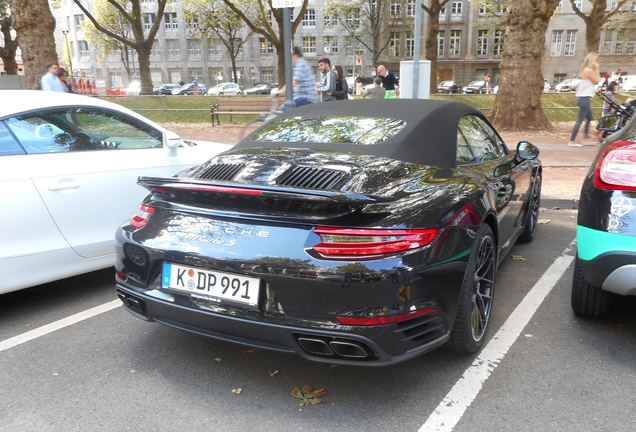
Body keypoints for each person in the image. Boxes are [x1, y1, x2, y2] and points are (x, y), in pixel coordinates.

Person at [569, 52, 600, 146]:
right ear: (593, 61)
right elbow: (596, 81)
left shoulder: (586, 69)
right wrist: (597, 68)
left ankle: (586, 137)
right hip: (584, 99)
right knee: (579, 120)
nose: (598, 62)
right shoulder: (589, 70)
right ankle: (572, 141)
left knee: (589, 118)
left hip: (584, 98)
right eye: (597, 60)